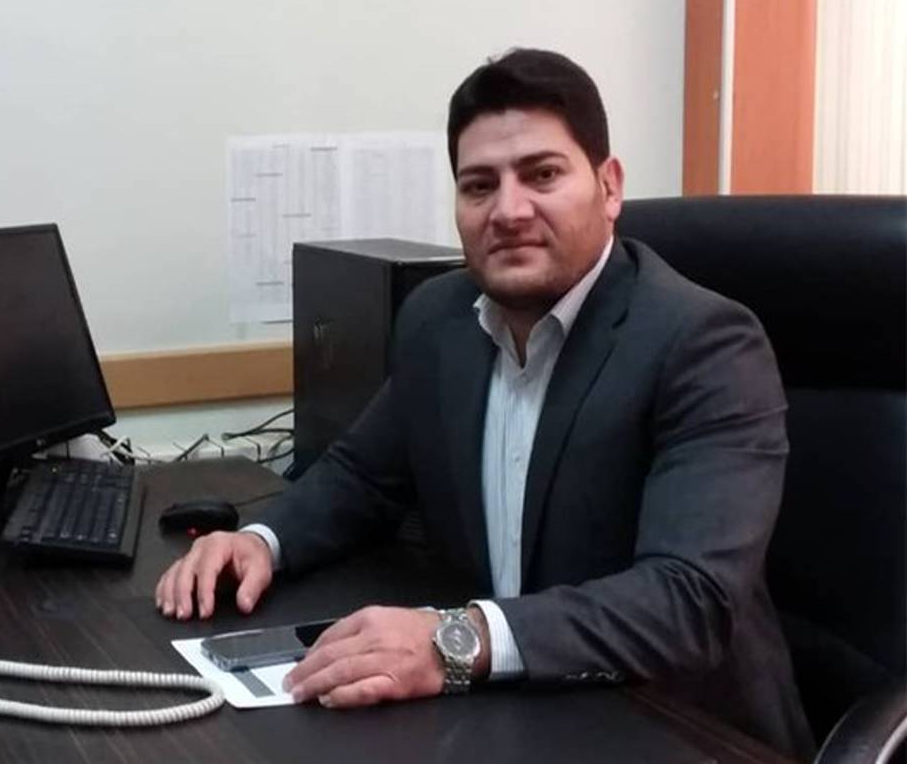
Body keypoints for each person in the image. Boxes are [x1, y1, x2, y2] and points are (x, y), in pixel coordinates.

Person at [154, 48, 814, 759]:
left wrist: (454, 639)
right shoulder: (439, 319)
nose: (508, 210)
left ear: (610, 186)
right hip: (518, 712)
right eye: (479, 185)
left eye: (543, 174)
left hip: (677, 726)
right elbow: (362, 475)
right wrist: (261, 541)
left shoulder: (704, 343)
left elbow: (688, 601)